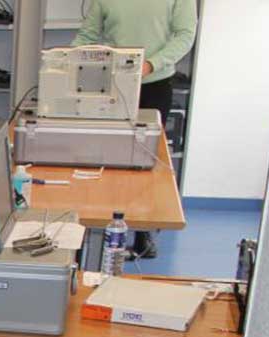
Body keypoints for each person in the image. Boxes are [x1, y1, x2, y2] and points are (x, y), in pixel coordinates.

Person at [74, 0, 198, 258]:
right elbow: (88, 34)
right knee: (105, 156)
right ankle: (98, 223)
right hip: (112, 84)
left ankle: (144, 232)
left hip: (154, 83)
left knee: (146, 159)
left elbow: (185, 35)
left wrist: (151, 64)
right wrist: (66, 62)